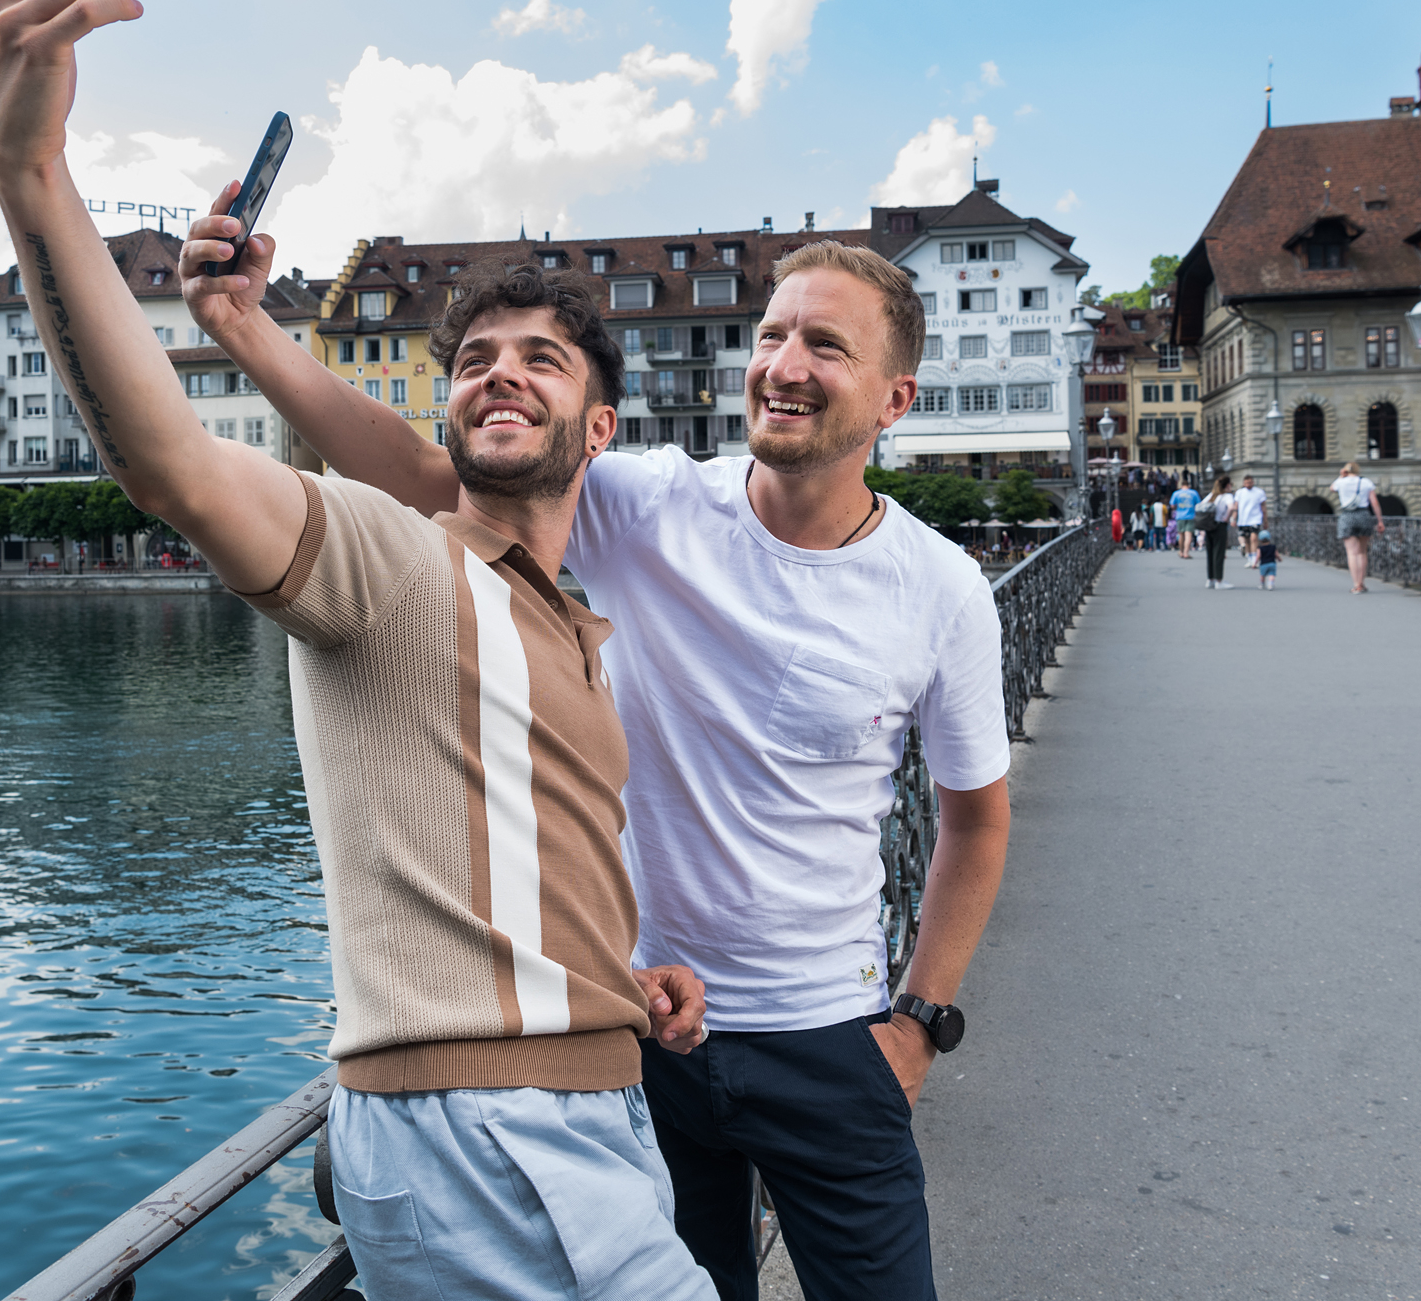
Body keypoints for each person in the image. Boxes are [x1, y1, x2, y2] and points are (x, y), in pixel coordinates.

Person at [0, 0, 716, 1300]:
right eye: (476, 359)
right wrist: (31, 170)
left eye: (540, 359)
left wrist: (624, 979)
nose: (500, 373)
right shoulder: (396, 563)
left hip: (589, 1107)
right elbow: (171, 462)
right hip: (485, 1131)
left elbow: (521, 854)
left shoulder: (563, 616)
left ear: (599, 420)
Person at [188, 230, 1012, 1300]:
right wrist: (246, 327)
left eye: (825, 345)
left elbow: (975, 819)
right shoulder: (652, 504)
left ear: (893, 399)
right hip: (646, 1035)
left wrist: (918, 1021)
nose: (784, 364)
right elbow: (425, 470)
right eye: (770, 334)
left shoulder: (939, 588)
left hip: (828, 1037)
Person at [1330, 460, 1385, 594]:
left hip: (1347, 516)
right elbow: (1374, 502)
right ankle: (1362, 583)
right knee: (1362, 552)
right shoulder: (1366, 482)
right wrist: (1380, 521)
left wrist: (1340, 476)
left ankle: (1356, 585)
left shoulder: (1341, 482)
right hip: (1363, 515)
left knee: (1352, 553)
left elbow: (1332, 488)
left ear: (1346, 471)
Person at [1201, 475, 1237, 589]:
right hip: (1220, 525)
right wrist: (1227, 518)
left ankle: (1210, 579)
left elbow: (1201, 506)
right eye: (1231, 484)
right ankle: (1219, 581)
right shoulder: (1227, 496)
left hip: (1209, 525)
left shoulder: (1211, 495)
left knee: (1210, 553)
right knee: (1219, 553)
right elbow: (1231, 508)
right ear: (1227, 485)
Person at [1234, 473, 1266, 560]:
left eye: (1250, 482)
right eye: (1247, 482)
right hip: (1243, 520)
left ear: (1253, 482)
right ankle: (1249, 557)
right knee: (1247, 540)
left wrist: (1265, 520)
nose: (1248, 484)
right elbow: (1236, 506)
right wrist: (1233, 518)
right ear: (1244, 483)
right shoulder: (1239, 492)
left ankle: (1254, 558)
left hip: (1255, 519)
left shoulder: (1259, 492)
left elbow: (1263, 507)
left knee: (1253, 538)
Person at [1169, 476, 1201, 559]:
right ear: (1188, 485)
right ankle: (1186, 553)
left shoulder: (1176, 493)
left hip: (1180, 516)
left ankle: (1181, 551)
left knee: (1181, 534)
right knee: (1188, 535)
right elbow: (1199, 504)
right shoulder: (1194, 493)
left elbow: (1172, 505)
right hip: (1191, 516)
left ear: (1181, 485)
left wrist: (1178, 507)